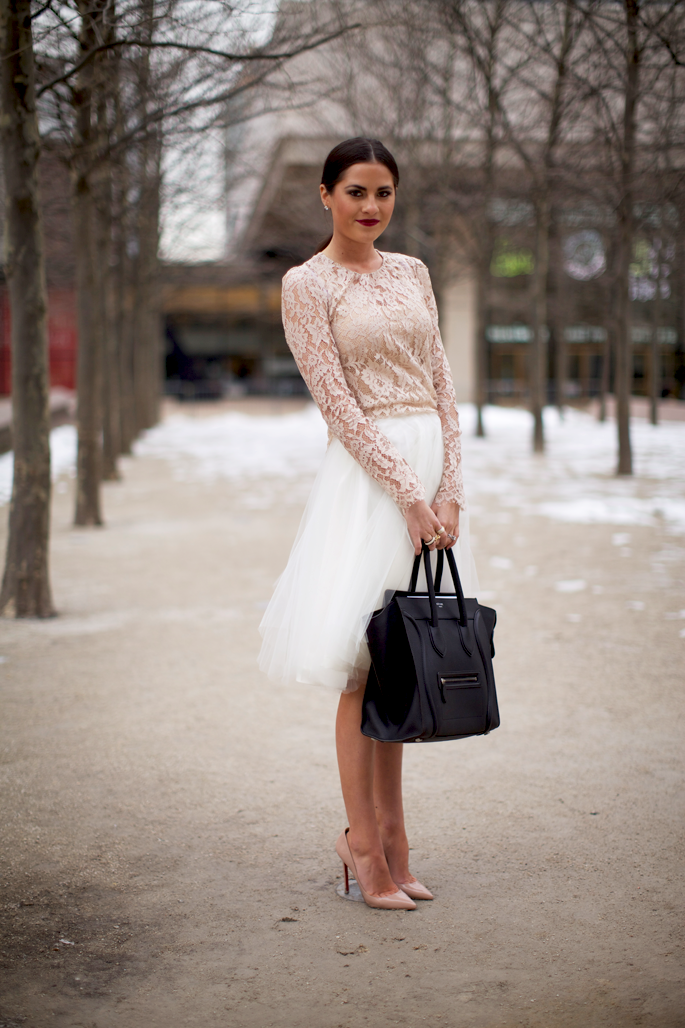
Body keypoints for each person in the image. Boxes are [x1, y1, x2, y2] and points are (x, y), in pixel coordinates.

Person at [259, 137, 476, 911]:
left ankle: (397, 840)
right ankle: (362, 844)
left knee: (405, 663)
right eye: (355, 191)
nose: (371, 207)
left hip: (429, 473)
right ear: (325, 195)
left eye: (383, 192)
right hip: (366, 480)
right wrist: (406, 493)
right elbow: (337, 404)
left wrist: (449, 488)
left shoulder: (414, 272)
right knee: (362, 667)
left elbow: (445, 386)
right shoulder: (305, 284)